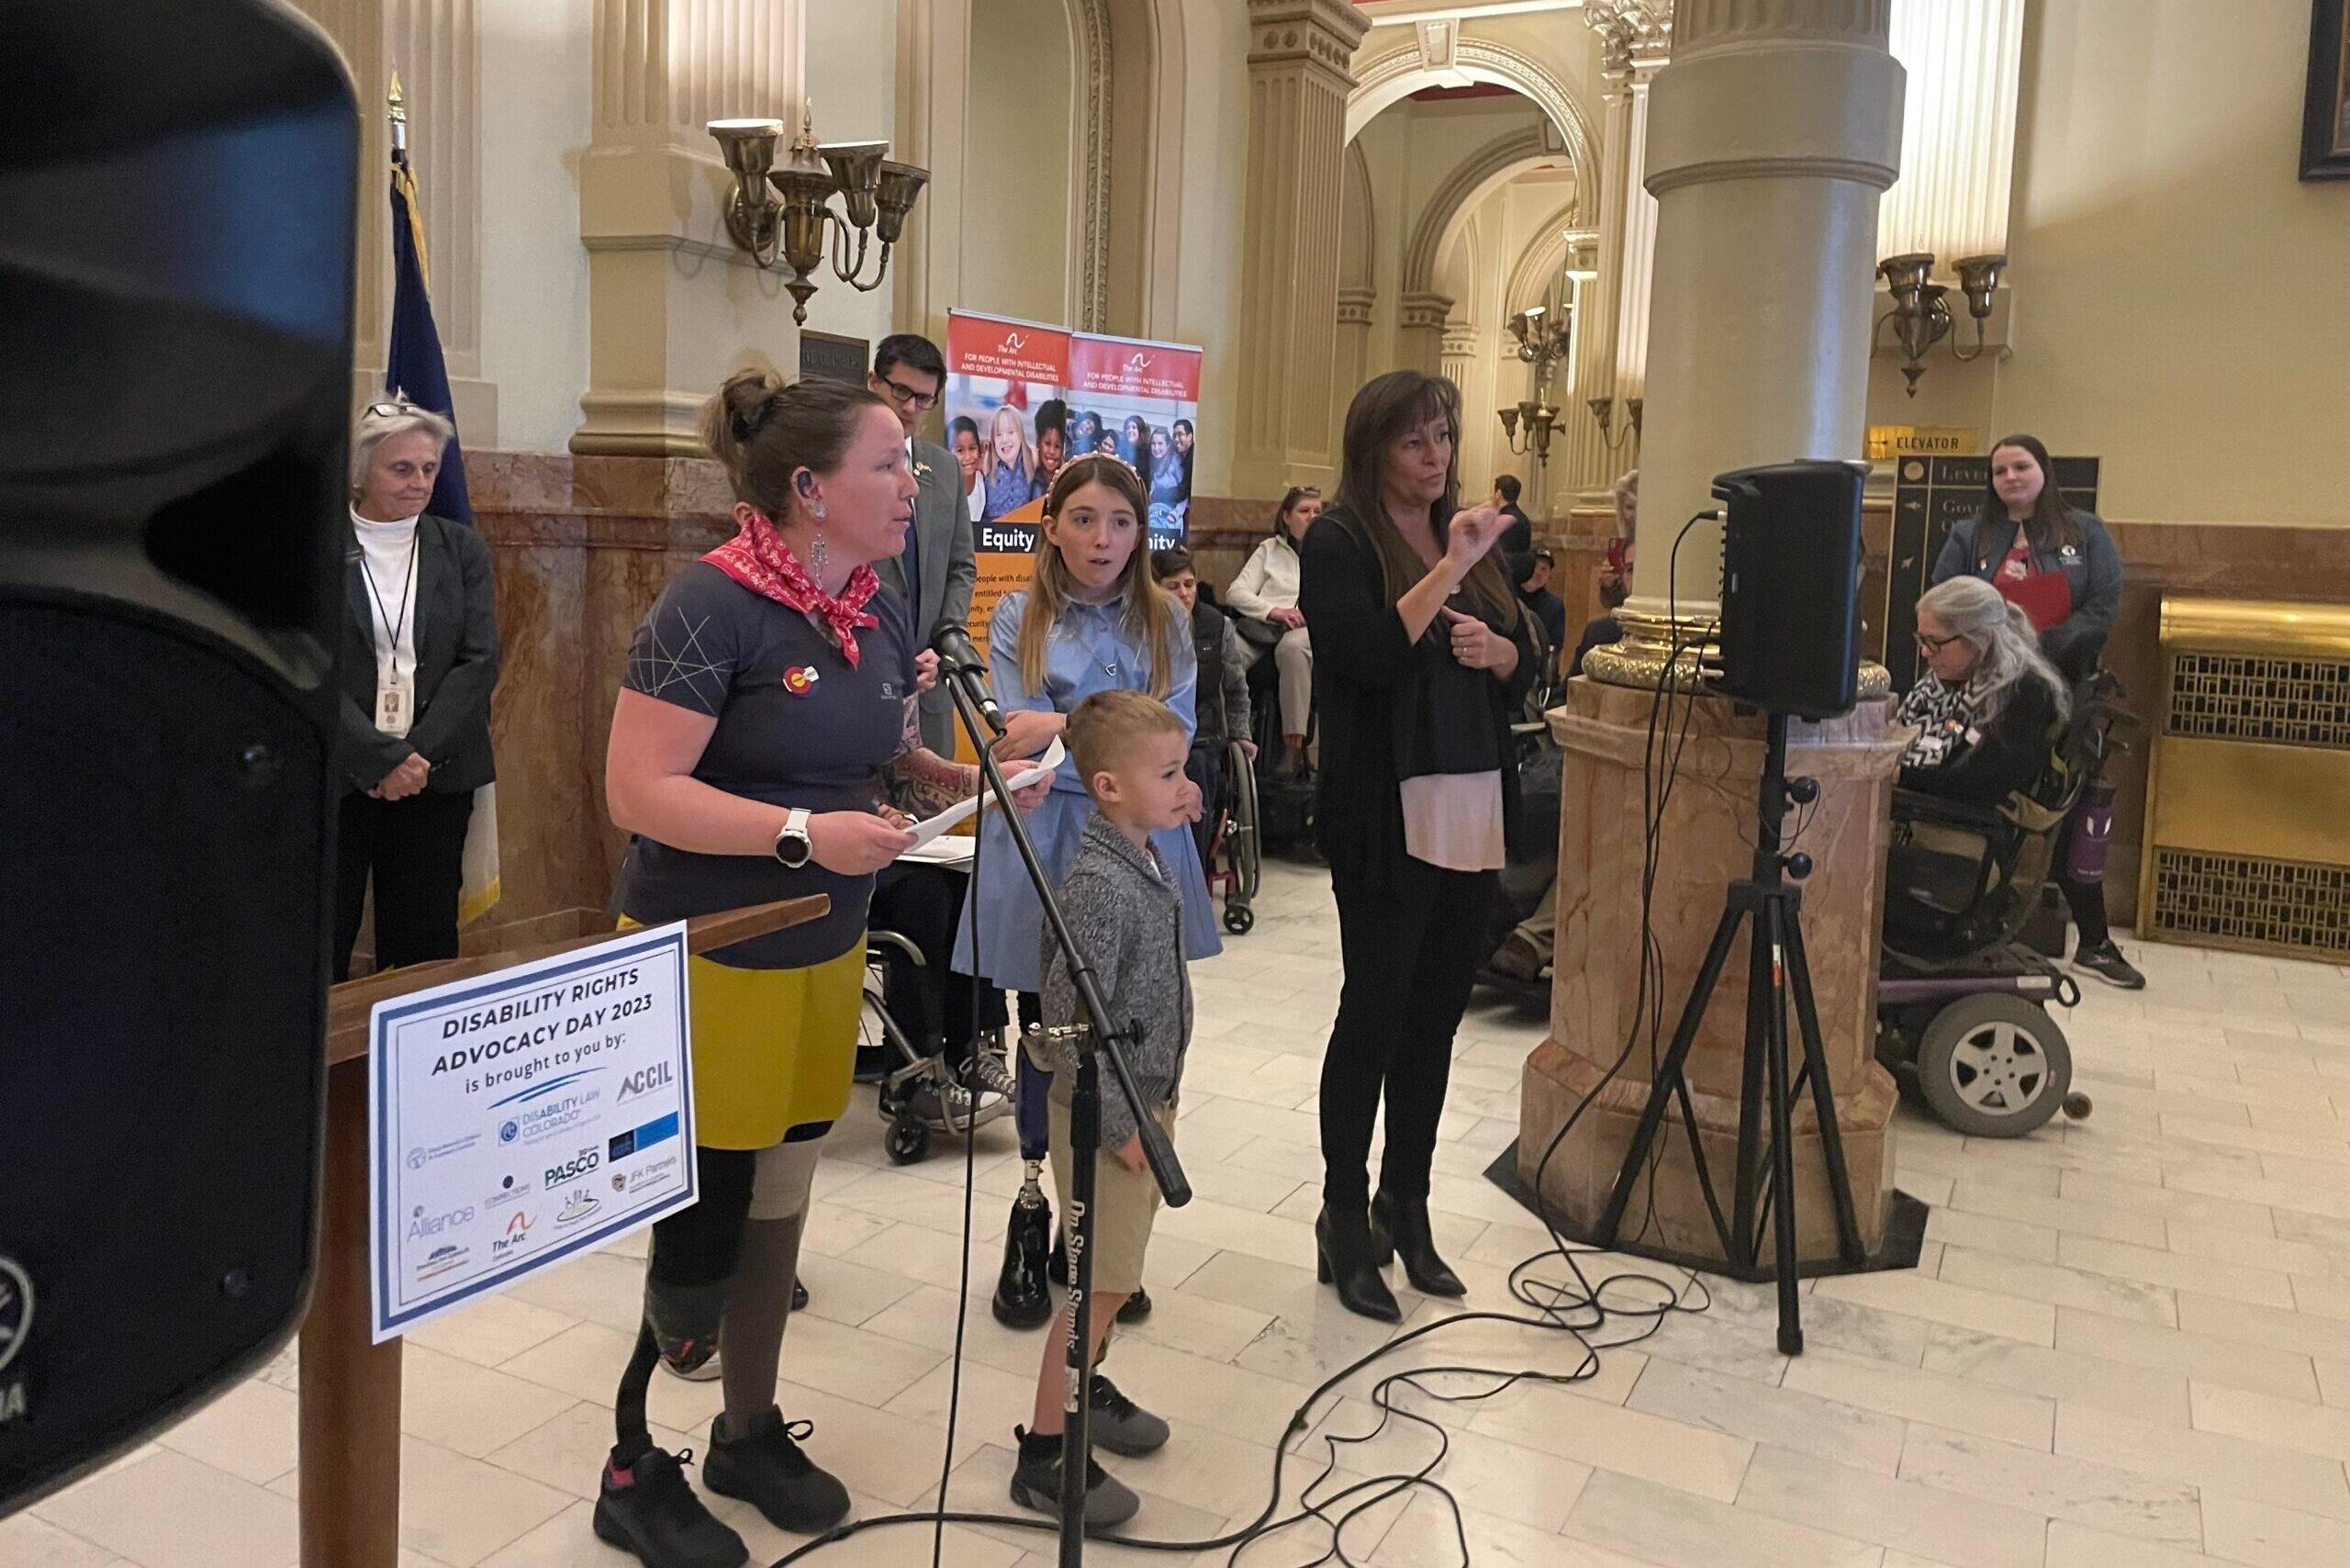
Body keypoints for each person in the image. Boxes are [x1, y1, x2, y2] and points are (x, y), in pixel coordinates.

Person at [593, 371, 1042, 1568]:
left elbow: (863, 754)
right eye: (892, 462)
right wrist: (802, 836)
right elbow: (638, 792)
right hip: (709, 952)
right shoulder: (709, 608)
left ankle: (745, 1429)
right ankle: (634, 1462)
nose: (918, 481)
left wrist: (926, 779)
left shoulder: (872, 603)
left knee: (783, 1201)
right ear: (809, 488)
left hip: (821, 943)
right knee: (704, 1212)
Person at [955, 454, 1221, 1330]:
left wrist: (1064, 725)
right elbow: (1014, 741)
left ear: (1142, 533)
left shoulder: (1167, 623)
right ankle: (1036, 1211)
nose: (1101, 539)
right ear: (1052, 527)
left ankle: (1106, 1239)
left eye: (1119, 522)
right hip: (1041, 842)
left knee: (1134, 1029)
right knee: (1048, 1036)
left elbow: (1156, 743)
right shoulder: (1015, 615)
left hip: (1134, 844)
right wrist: (1095, 747)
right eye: (1082, 519)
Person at [1299, 370, 1533, 1322]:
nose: (1435, 458)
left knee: (1435, 1019)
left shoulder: (1467, 541)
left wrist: (1502, 653)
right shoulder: (1338, 538)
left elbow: (1526, 660)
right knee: (1376, 1013)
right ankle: (1343, 1217)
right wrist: (1448, 568)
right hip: (1384, 809)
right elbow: (1361, 657)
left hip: (1472, 797)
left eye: (1443, 437)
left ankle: (1409, 1202)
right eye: (1413, 442)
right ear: (1374, 450)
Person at [1008, 689, 1198, 1529]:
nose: (1185, 786)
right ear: (1111, 788)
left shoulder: (1142, 855)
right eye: (1169, 773)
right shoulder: (1096, 887)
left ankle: (1092, 1389)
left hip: (1146, 1103)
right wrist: (1122, 1130)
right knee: (1095, 1291)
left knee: (1117, 1281)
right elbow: (1069, 1027)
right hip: (1108, 1122)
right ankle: (1048, 1451)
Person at [1930, 433, 2141, 989]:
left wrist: (2040, 648)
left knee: (2063, 809)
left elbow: (2102, 607)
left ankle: (2093, 942)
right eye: (2000, 471)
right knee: (1983, 796)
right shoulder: (1969, 535)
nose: (2010, 478)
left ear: (2043, 471)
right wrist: (1996, 647)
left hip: (2062, 692)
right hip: (1983, 691)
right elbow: (1943, 602)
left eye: (2020, 467)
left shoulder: (2086, 533)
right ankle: (1970, 920)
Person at [333, 398, 500, 982]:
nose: (419, 482)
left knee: (424, 944)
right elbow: (305, 664)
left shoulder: (460, 549)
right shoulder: (315, 546)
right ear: (361, 472)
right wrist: (379, 756)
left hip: (437, 769)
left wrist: (414, 755)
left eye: (429, 469)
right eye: (401, 468)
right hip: (337, 772)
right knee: (322, 937)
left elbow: (479, 661)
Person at [867, 333, 976, 752]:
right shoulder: (842, 464)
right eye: (901, 391)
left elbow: (961, 566)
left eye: (924, 398)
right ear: (874, 382)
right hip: (864, 677)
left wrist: (943, 641)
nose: (910, 407)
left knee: (933, 805)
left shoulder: (945, 468)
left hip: (930, 686)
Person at [1897, 577, 2070, 805]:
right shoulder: (1945, 681)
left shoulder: (2025, 692)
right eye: (1922, 639)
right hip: (1927, 805)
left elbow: (1981, 787)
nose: (1925, 653)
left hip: (1965, 822)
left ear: (1980, 639)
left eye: (1934, 642)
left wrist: (1899, 777)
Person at [1152, 546, 1254, 871]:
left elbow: (1235, 687)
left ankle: (1192, 871)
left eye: (1190, 584)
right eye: (1173, 586)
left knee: (1196, 772)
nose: (1184, 593)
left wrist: (1240, 734)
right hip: (1150, 734)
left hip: (1201, 736)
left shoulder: (1216, 625)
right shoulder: (1142, 624)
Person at [1224, 485, 1321, 768]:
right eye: (1304, 511)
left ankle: (1294, 744)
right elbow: (1236, 593)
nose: (1312, 517)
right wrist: (1273, 611)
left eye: (1318, 512)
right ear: (1287, 517)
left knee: (1293, 649)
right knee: (1229, 653)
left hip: (1304, 629)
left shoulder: (1330, 552)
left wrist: (1306, 613)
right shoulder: (1269, 550)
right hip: (1264, 625)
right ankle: (1228, 735)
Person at [1571, 468, 1637, 678]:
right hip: (1621, 616)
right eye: (1628, 507)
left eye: (1637, 507)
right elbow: (1615, 600)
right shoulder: (1621, 544)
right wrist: (1609, 584)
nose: (1632, 514)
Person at [1516, 546, 1567, 682]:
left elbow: (1554, 649)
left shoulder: (1555, 606)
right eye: (1535, 567)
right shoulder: (1508, 596)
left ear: (1549, 576)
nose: (1538, 573)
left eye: (1544, 569)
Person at [982, 404, 1038, 521]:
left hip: (1022, 533)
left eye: (1011, 432)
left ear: (1020, 435)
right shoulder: (987, 463)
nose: (1005, 440)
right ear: (993, 441)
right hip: (993, 533)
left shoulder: (1032, 458)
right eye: (998, 435)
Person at [1147, 426, 1185, 532]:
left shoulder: (1175, 462)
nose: (1156, 448)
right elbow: (1152, 494)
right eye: (1153, 444)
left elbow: (1185, 492)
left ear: (1168, 445)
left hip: (1171, 516)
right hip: (1155, 513)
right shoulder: (1153, 463)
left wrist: (1176, 514)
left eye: (1160, 444)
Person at [948, 414, 985, 523]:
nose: (968, 457)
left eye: (972, 448)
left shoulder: (981, 478)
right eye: (959, 450)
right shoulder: (946, 487)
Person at [1492, 473, 1532, 568]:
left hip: (1503, 573)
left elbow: (1498, 555)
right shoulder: (1523, 518)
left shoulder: (1500, 519)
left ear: (1498, 494)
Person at [1035, 397, 1069, 492]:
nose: (1052, 451)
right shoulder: (1029, 476)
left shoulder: (1068, 478)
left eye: (1057, 446)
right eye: (1047, 444)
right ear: (1038, 442)